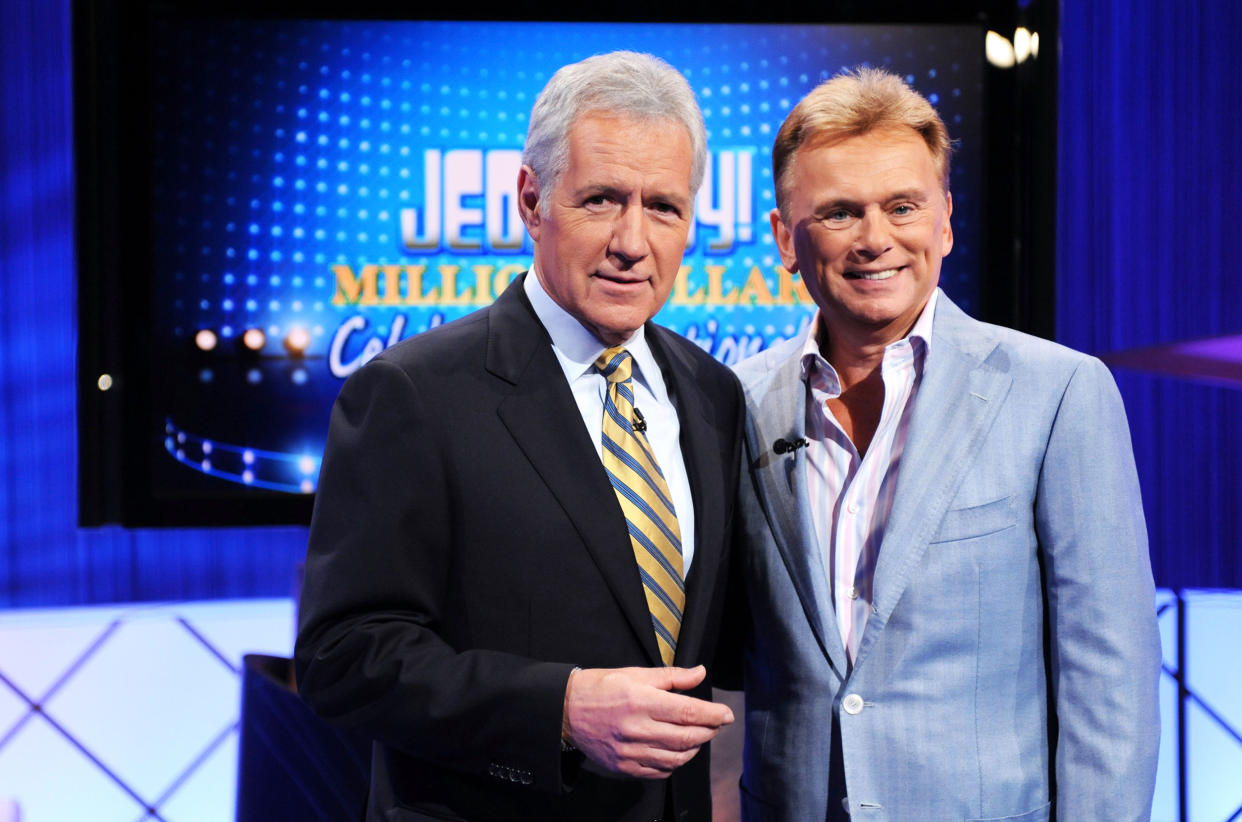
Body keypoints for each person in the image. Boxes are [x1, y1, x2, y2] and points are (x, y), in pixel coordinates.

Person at [295, 51, 743, 822]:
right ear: (531, 201)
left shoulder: (711, 393)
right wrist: (560, 710)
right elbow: (346, 658)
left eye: (664, 207)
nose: (633, 241)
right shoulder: (413, 393)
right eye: (602, 199)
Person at [732, 68, 1160, 821]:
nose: (875, 240)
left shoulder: (1058, 393)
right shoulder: (735, 403)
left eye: (902, 206)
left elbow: (1111, 685)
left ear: (946, 221)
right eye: (838, 213)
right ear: (784, 239)